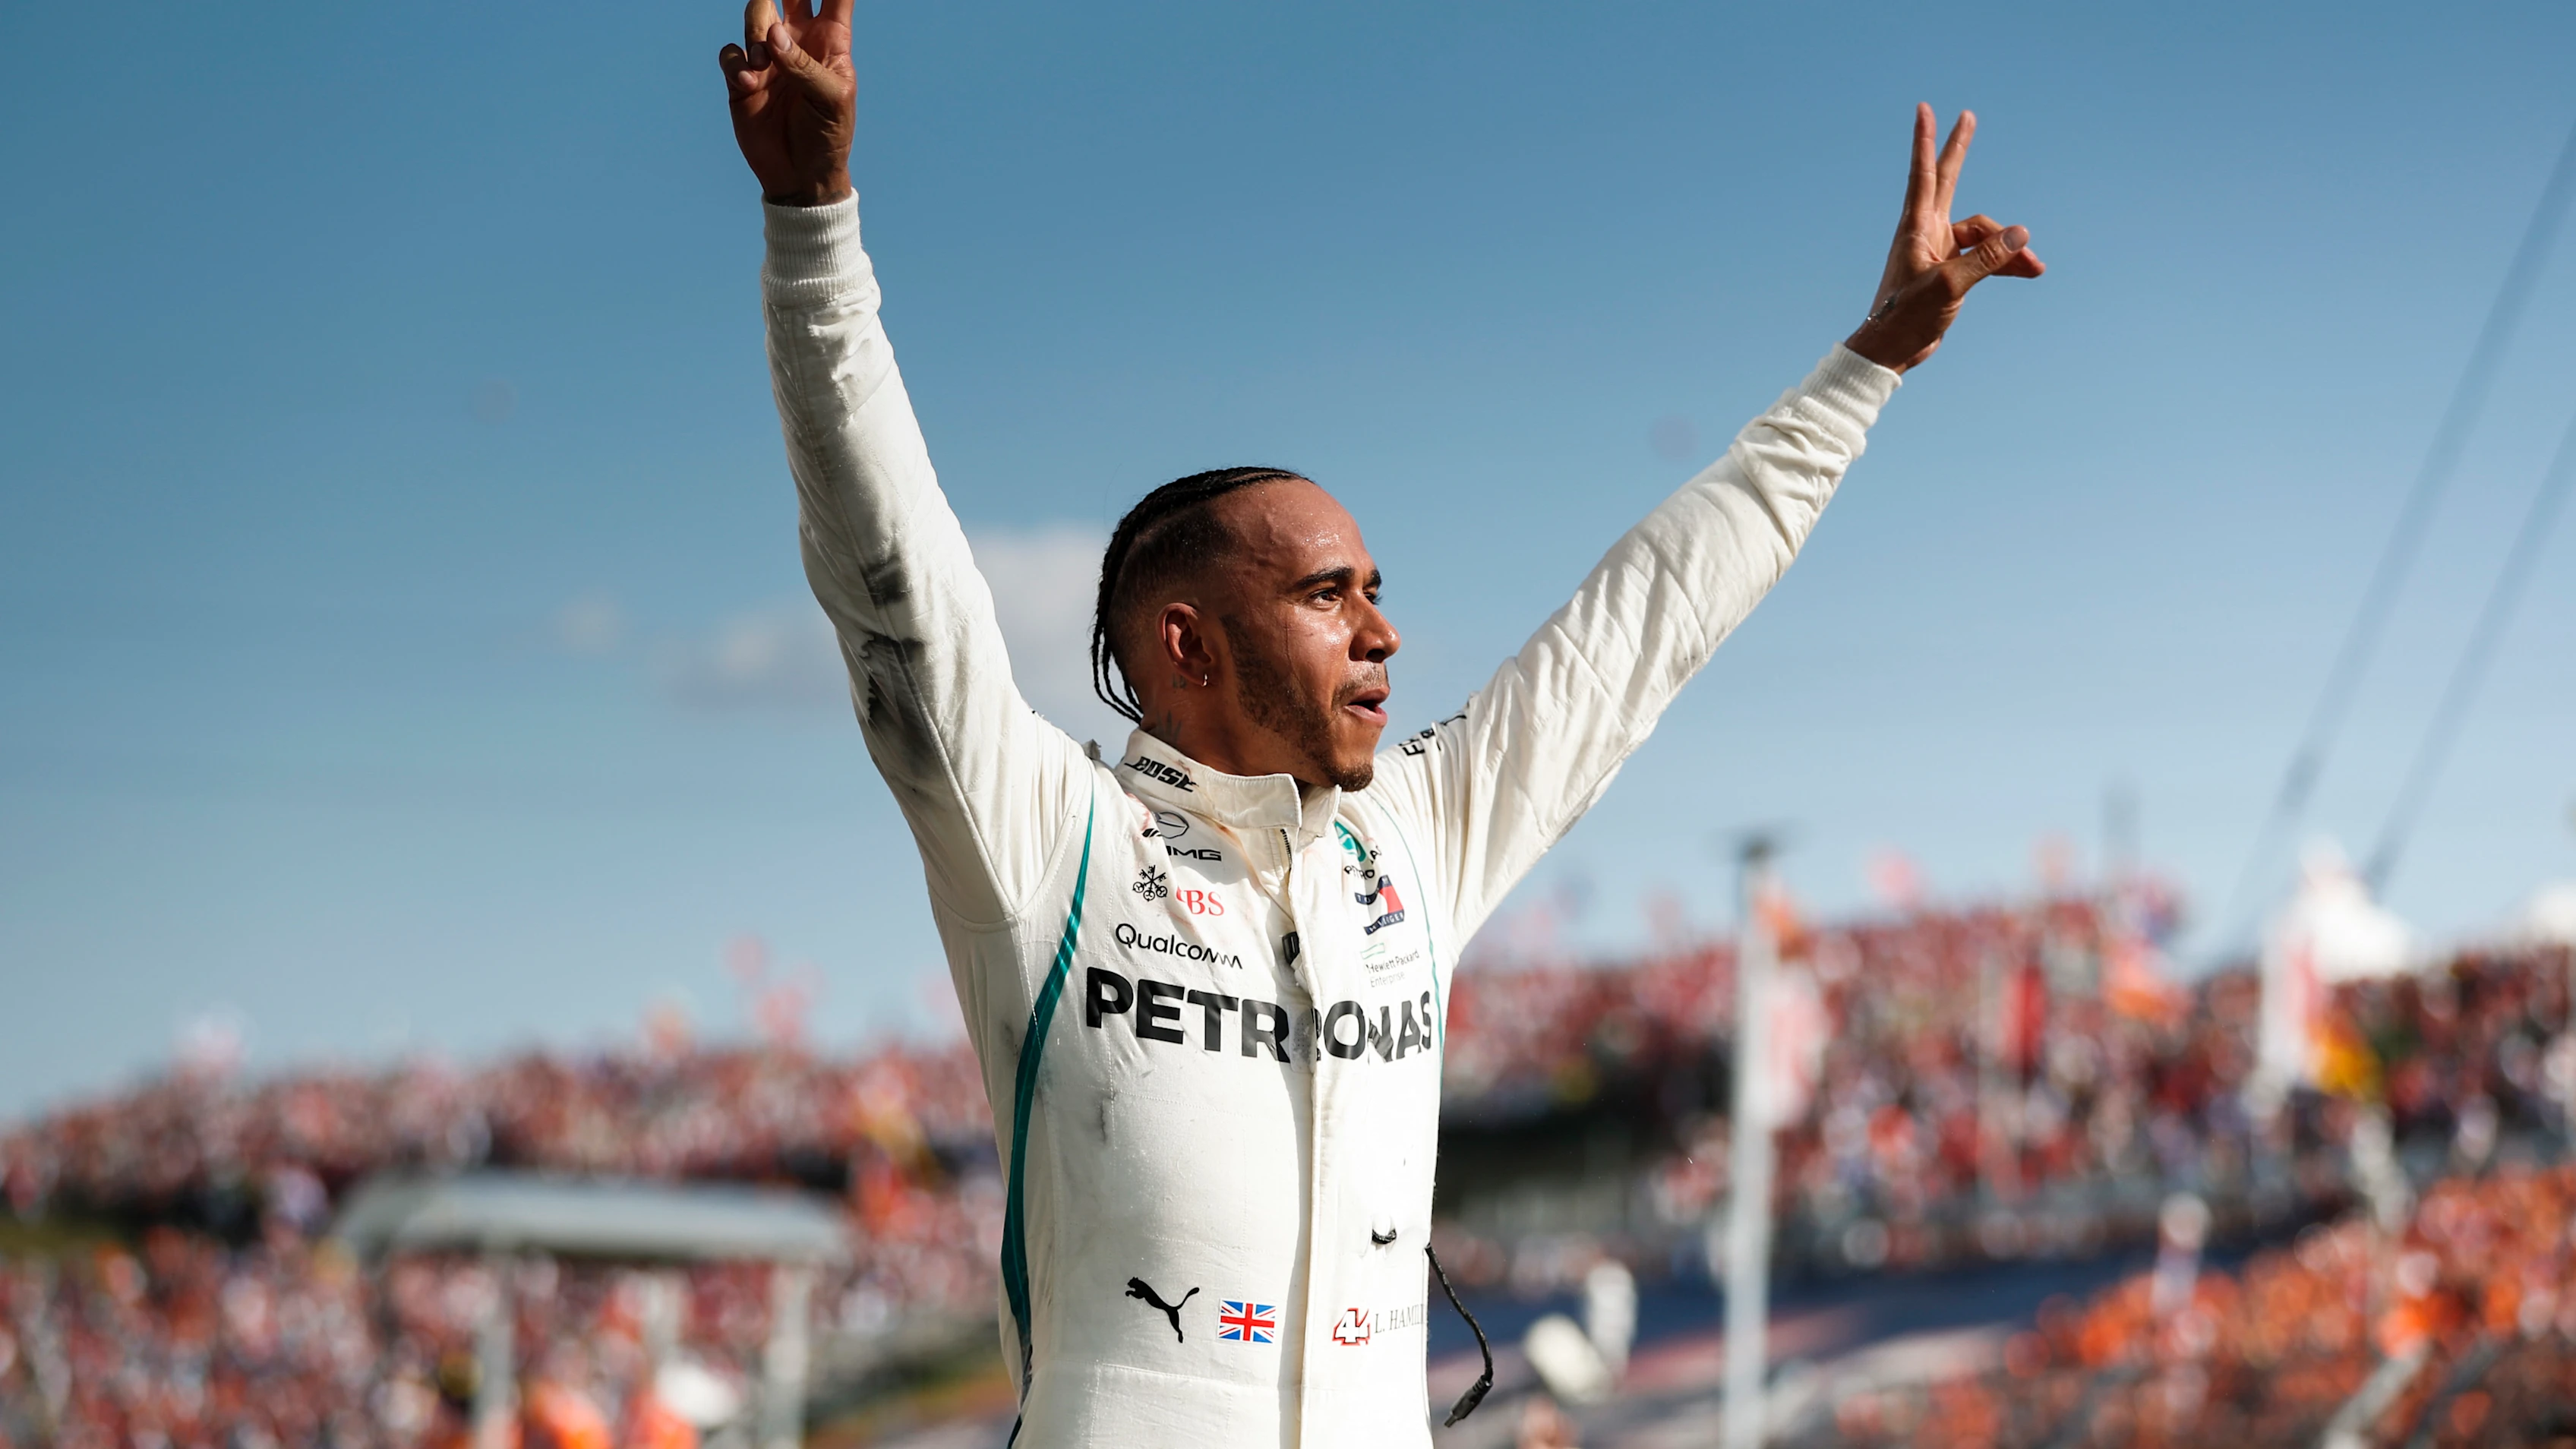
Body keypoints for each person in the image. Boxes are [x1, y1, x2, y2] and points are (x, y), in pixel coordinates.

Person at [714, 3, 2041, 1443]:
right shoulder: (1052, 839)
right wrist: (814, 230)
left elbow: (1650, 619)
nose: (1383, 631)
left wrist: (1866, 368)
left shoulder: (1412, 835)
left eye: (1377, 592)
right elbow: (895, 580)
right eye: (1325, 595)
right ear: (1187, 643)